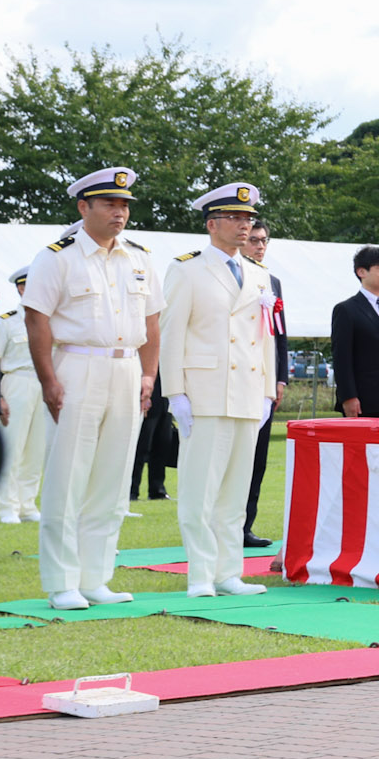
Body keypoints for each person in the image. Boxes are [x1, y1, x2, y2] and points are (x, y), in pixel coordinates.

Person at [23, 167, 165, 609]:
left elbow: (153, 322)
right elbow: (36, 320)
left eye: (124, 205)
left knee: (112, 476)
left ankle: (96, 577)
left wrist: (148, 376)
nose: (119, 212)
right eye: (109, 203)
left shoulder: (139, 256)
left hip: (125, 371)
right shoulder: (58, 256)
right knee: (68, 477)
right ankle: (62, 582)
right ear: (83, 206)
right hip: (77, 365)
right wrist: (49, 379)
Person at [158, 183, 276, 596]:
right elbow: (171, 333)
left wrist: (267, 390)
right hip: (205, 390)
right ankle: (200, 575)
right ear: (212, 224)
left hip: (246, 389)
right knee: (199, 489)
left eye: (248, 218)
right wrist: (175, 392)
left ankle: (229, 573)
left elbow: (266, 337)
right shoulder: (187, 268)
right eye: (236, 218)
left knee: (235, 490)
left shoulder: (260, 274)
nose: (245, 225)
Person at [237, 219, 289, 547]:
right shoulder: (226, 276)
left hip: (263, 383)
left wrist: (280, 378)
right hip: (231, 377)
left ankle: (245, 526)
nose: (260, 245)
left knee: (257, 458)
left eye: (264, 240)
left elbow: (278, 333)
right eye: (254, 239)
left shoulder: (272, 281)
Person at [0, 267, 48, 523]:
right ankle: (8, 507)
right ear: (19, 288)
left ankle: (27, 504)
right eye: (25, 286)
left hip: (44, 383)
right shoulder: (8, 320)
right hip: (17, 381)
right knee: (12, 447)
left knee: (37, 448)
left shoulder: (50, 318)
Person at [331, 247, 379, 420]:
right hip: (367, 402)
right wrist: (348, 396)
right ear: (361, 272)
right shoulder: (346, 310)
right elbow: (341, 358)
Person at [128, 374, 175, 504]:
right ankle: (132, 490)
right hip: (149, 391)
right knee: (142, 445)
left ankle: (157, 489)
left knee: (163, 443)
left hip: (165, 395)